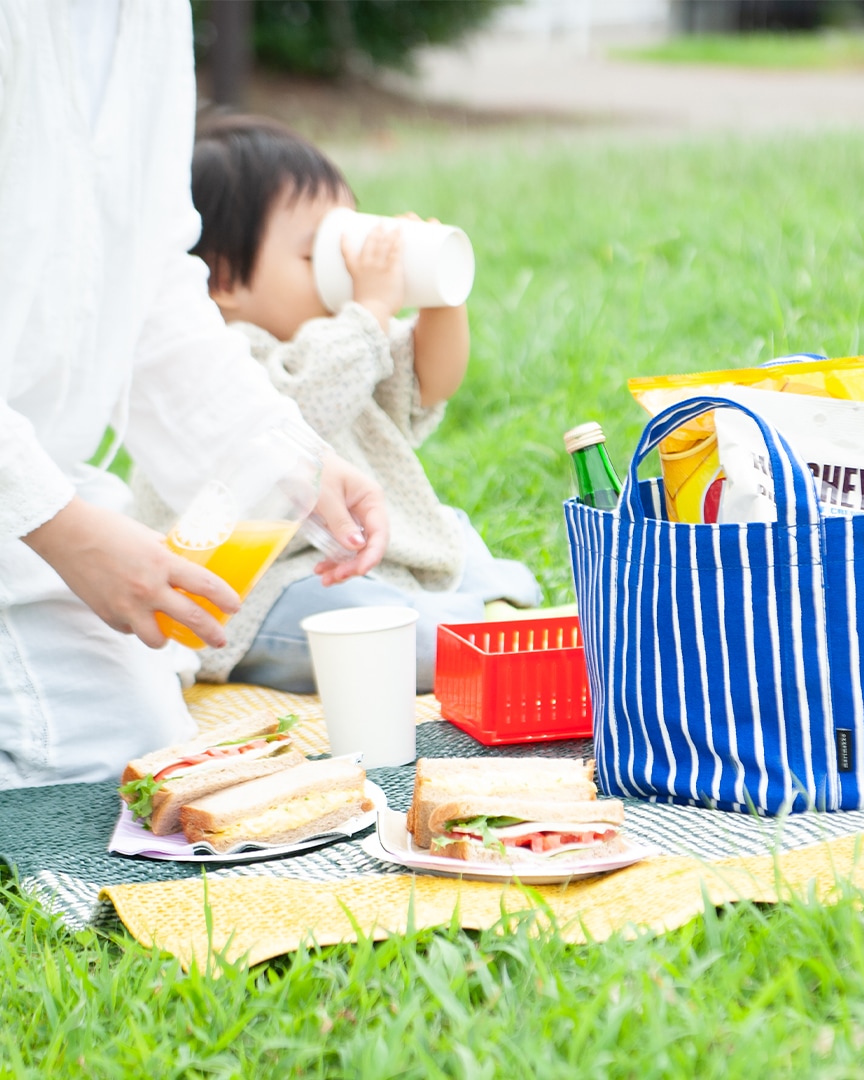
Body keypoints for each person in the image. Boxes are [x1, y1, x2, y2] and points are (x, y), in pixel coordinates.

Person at [0, 0, 388, 788]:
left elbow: (149, 278)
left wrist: (287, 456)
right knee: (90, 763)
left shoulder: (145, 17)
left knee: (142, 745)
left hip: (35, 485)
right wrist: (59, 525)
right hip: (30, 498)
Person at [133, 113, 543, 695]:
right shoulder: (223, 358)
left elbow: (432, 379)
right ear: (222, 276)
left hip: (366, 557)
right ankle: (479, 622)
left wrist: (438, 294)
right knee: (397, 635)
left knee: (446, 528)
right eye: (316, 258)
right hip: (272, 585)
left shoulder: (348, 338)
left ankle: (480, 608)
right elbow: (295, 417)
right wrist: (372, 307)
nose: (344, 275)